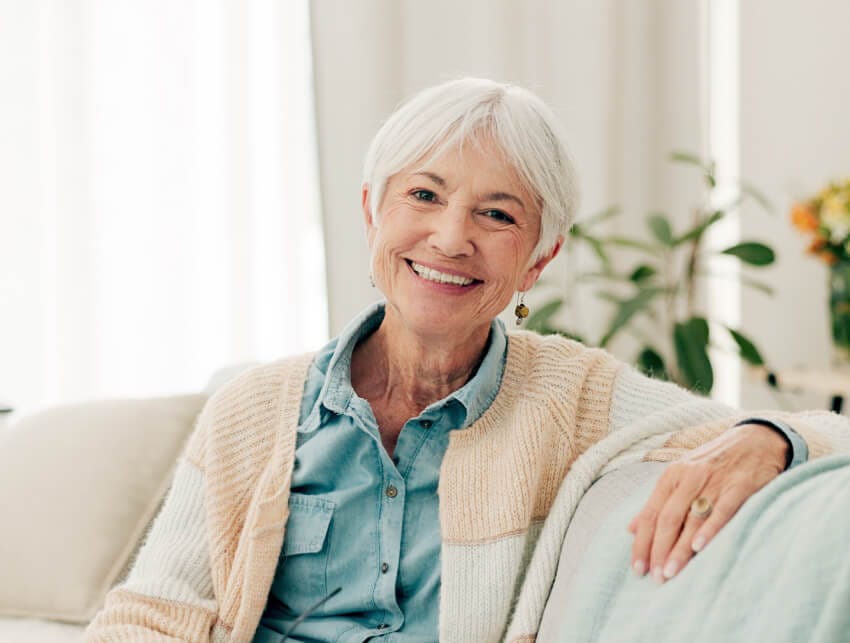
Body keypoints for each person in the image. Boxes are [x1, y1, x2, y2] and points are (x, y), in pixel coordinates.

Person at [84, 78, 850, 643]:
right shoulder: (253, 409)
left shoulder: (569, 394)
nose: (451, 237)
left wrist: (768, 438)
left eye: (497, 213)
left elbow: (828, 431)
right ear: (371, 212)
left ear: (538, 261)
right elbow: (153, 611)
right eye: (424, 194)